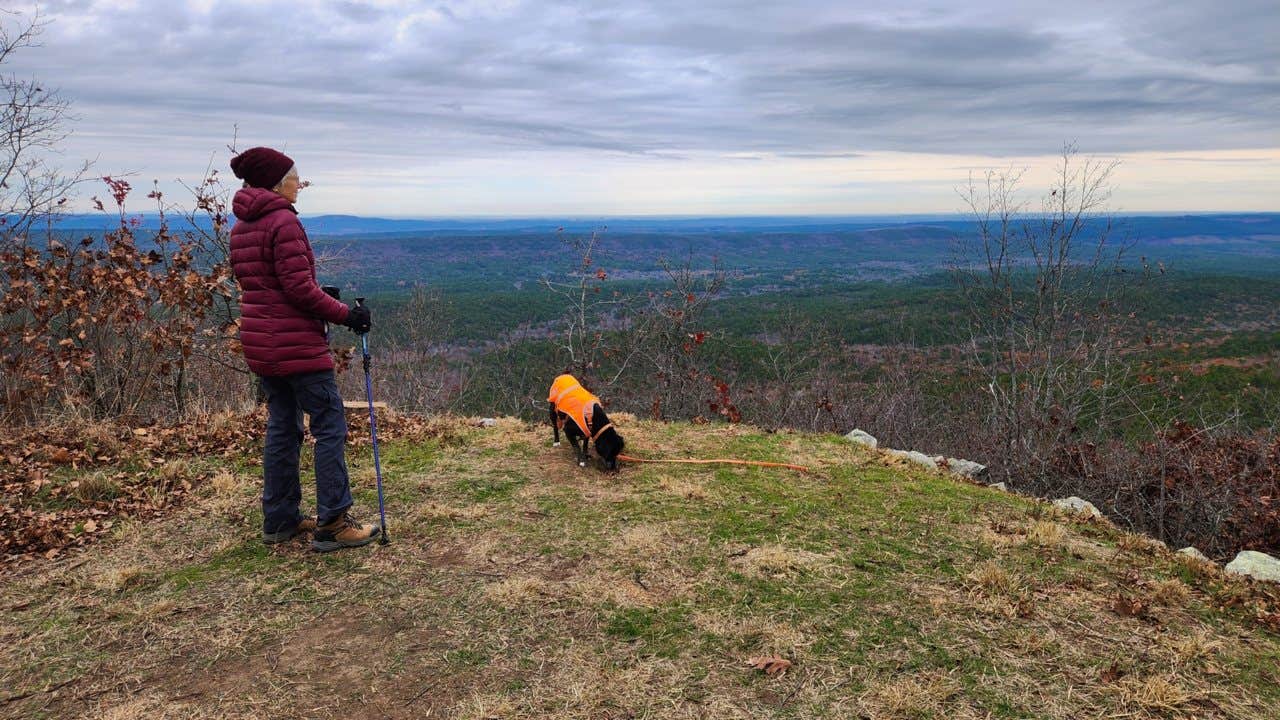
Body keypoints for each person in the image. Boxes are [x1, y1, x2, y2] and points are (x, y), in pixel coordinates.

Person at [228, 146, 379, 552]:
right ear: (277, 183)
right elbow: (298, 290)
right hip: (296, 343)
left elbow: (264, 286)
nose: (299, 184)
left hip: (261, 343)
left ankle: (279, 520)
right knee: (329, 423)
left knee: (283, 426)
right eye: (295, 177)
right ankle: (333, 521)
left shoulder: (242, 227)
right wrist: (347, 315)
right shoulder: (283, 222)